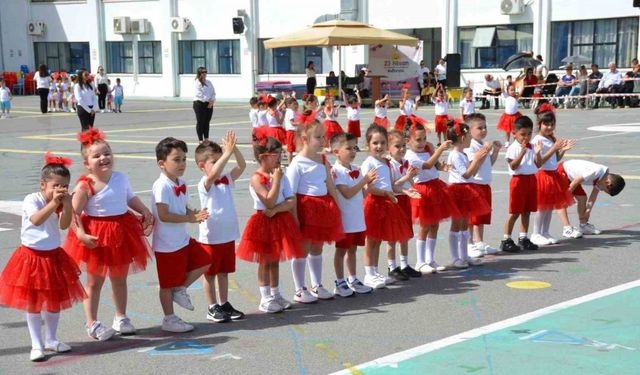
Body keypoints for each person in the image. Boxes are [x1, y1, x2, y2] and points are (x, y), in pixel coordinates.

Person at [64, 128, 153, 340]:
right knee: (94, 282)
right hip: (96, 237)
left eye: (107, 153)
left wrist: (144, 210)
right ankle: (91, 322)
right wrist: (81, 235)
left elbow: (129, 197)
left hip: (121, 233)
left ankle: (121, 317)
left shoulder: (121, 177)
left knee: (119, 279)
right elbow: (73, 214)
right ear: (87, 163)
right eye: (96, 156)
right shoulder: (85, 185)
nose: (103, 158)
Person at [0, 154, 85, 361]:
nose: (60, 189)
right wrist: (53, 203)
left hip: (54, 256)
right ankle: (36, 344)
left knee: (54, 301)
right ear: (43, 184)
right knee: (34, 302)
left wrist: (66, 206)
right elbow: (37, 220)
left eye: (64, 185)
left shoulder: (61, 201)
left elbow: (64, 225)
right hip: (31, 257)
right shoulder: (32, 199)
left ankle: (51, 339)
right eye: (56, 185)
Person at [237, 136, 303, 312]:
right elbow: (269, 201)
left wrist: (278, 209)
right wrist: (277, 182)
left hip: (280, 220)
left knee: (275, 260)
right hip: (263, 222)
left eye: (280, 153)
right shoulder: (257, 178)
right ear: (263, 157)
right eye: (275, 154)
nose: (279, 157)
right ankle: (265, 298)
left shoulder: (280, 174)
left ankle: (276, 294)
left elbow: (291, 200)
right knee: (265, 261)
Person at [151, 137, 211, 332]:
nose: (182, 164)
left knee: (205, 260)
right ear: (162, 163)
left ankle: (181, 288)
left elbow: (183, 206)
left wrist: (194, 213)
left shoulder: (181, 182)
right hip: (167, 244)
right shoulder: (162, 186)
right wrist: (189, 219)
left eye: (184, 159)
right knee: (166, 284)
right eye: (176, 160)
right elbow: (164, 215)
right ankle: (169, 318)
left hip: (181, 239)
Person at [286, 112, 344, 302]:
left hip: (322, 207)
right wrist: (294, 216)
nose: (322, 140)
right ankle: (299, 288)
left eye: (323, 136)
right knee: (303, 248)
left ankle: (317, 284)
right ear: (304, 139)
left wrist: (336, 206)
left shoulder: (322, 160)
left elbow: (329, 185)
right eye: (318, 137)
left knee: (317, 247)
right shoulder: (297, 163)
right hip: (305, 208)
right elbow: (291, 193)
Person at [195, 131, 246, 321]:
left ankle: (224, 303)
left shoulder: (226, 180)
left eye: (220, 159)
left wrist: (234, 150)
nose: (219, 164)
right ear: (202, 166)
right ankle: (212, 306)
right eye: (213, 161)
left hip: (227, 235)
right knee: (209, 274)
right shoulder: (205, 183)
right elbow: (214, 173)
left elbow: (241, 166)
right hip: (211, 236)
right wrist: (226, 154)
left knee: (224, 272)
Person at [359, 124, 413, 288]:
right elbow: (366, 188)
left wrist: (406, 191)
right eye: (375, 143)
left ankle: (375, 272)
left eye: (382, 143)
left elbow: (390, 185)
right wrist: (384, 194)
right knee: (371, 241)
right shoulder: (368, 163)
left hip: (386, 202)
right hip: (374, 204)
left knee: (378, 241)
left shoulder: (386, 162)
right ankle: (369, 274)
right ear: (368, 144)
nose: (379, 146)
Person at [330, 133, 377, 296]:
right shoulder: (336, 171)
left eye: (354, 148)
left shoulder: (356, 169)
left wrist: (368, 186)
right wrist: (364, 181)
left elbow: (361, 195)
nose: (352, 151)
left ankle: (353, 278)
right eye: (348, 148)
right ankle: (340, 282)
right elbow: (347, 193)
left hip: (357, 218)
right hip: (345, 219)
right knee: (341, 250)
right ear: (336, 151)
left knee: (353, 249)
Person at [405, 122, 455, 274]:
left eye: (424, 138)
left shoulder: (427, 150)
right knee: (425, 226)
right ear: (408, 141)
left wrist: (443, 167)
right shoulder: (410, 156)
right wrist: (439, 150)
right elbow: (426, 165)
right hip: (423, 190)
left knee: (435, 224)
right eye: (418, 139)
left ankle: (430, 259)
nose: (422, 142)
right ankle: (420, 261)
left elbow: (435, 165)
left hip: (435, 187)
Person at [529, 104, 578, 246]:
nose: (549, 127)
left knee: (550, 207)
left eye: (552, 124)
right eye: (546, 124)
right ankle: (536, 233)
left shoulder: (551, 139)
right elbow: (539, 162)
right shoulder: (537, 140)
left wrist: (563, 150)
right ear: (539, 124)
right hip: (542, 175)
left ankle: (545, 232)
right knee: (542, 207)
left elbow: (555, 159)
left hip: (553, 175)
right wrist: (554, 148)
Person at [445, 119, 491, 268]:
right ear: (463, 138)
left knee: (465, 223)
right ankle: (454, 257)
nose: (471, 139)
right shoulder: (455, 155)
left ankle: (464, 255)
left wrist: (479, 159)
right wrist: (477, 159)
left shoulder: (463, 154)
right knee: (456, 224)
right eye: (469, 137)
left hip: (467, 189)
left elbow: (472, 173)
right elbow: (466, 174)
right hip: (458, 190)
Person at [500, 116, 542, 253]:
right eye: (523, 134)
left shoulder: (531, 146)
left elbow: (538, 164)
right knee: (515, 211)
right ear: (514, 133)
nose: (526, 137)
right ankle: (506, 239)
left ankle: (523, 237)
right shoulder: (514, 148)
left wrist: (537, 153)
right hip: (518, 181)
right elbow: (513, 165)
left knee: (527, 211)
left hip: (531, 179)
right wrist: (522, 152)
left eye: (529, 134)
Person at [385, 129, 422, 280]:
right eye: (397, 146)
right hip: (395, 200)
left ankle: (404, 264)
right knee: (392, 236)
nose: (401, 149)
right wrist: (407, 176)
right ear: (389, 148)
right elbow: (393, 185)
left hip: (406, 199)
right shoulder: (388, 164)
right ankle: (392, 266)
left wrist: (413, 180)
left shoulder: (405, 162)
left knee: (406, 234)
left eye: (403, 146)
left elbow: (409, 182)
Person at [464, 114, 502, 257]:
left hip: (485, 184)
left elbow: (488, 164)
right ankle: (469, 243)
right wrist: (485, 151)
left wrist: (495, 151)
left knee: (482, 216)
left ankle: (479, 242)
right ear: (469, 130)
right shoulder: (470, 146)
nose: (484, 130)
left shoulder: (482, 144)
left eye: (485, 127)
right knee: (472, 217)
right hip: (475, 184)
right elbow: (475, 165)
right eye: (480, 128)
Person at [556, 160, 625, 236]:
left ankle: (583, 225)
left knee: (582, 198)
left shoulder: (603, 179)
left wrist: (587, 212)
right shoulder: (596, 171)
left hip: (572, 178)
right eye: (604, 190)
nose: (601, 190)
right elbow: (576, 180)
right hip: (562, 172)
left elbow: (593, 196)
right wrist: (566, 195)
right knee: (562, 200)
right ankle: (567, 228)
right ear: (607, 183)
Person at [193, 66, 216, 142]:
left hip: (209, 104)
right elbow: (198, 94)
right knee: (200, 122)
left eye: (205, 72)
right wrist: (208, 100)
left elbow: (213, 92)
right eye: (203, 72)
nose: (205, 73)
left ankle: (206, 138)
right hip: (199, 104)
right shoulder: (197, 83)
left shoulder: (209, 82)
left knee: (207, 122)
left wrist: (212, 101)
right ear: (199, 73)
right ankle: (200, 139)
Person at [283, 96, 299, 164]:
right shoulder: (291, 112)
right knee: (290, 150)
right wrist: (300, 123)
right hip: (292, 131)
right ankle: (290, 164)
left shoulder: (289, 111)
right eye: (294, 104)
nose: (296, 105)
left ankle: (291, 163)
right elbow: (292, 123)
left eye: (296, 104)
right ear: (289, 105)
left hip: (291, 131)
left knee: (291, 149)